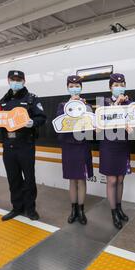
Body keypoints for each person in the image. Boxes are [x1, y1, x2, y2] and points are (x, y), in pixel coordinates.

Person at [0, 70, 46, 221]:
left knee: (29, 179)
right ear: (8, 81)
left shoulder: (31, 99)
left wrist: (33, 122)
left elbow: (42, 117)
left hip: (26, 145)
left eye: (19, 79)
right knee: (13, 179)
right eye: (13, 79)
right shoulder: (3, 101)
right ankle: (17, 207)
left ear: (24, 81)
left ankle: (30, 209)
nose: (16, 82)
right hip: (8, 146)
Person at [56, 75, 94, 225]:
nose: (74, 88)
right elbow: (59, 123)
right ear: (67, 88)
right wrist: (70, 106)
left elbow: (92, 123)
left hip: (83, 145)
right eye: (71, 86)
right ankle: (73, 210)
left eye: (77, 85)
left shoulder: (87, 105)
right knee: (72, 179)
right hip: (69, 146)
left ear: (81, 87)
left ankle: (81, 209)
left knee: (82, 179)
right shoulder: (62, 105)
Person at [98, 73, 133, 229]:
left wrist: (131, 126)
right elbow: (100, 123)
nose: (119, 88)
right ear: (110, 87)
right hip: (108, 145)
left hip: (123, 145)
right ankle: (113, 212)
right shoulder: (103, 103)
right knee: (111, 180)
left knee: (120, 179)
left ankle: (119, 208)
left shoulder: (130, 103)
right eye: (116, 85)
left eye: (122, 85)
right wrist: (117, 104)